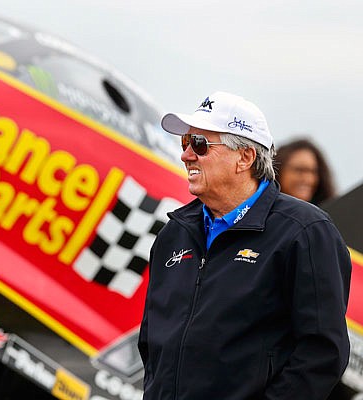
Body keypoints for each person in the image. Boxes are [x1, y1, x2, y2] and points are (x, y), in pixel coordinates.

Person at [138, 91, 351, 400]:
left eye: (199, 144)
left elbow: (322, 353)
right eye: (185, 143)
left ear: (245, 158)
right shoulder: (175, 233)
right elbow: (152, 344)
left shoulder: (304, 232)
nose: (186, 155)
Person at [275, 138, 337, 206]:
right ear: (278, 170)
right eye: (299, 170)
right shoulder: (263, 212)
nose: (308, 179)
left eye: (313, 172)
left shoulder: (329, 215)